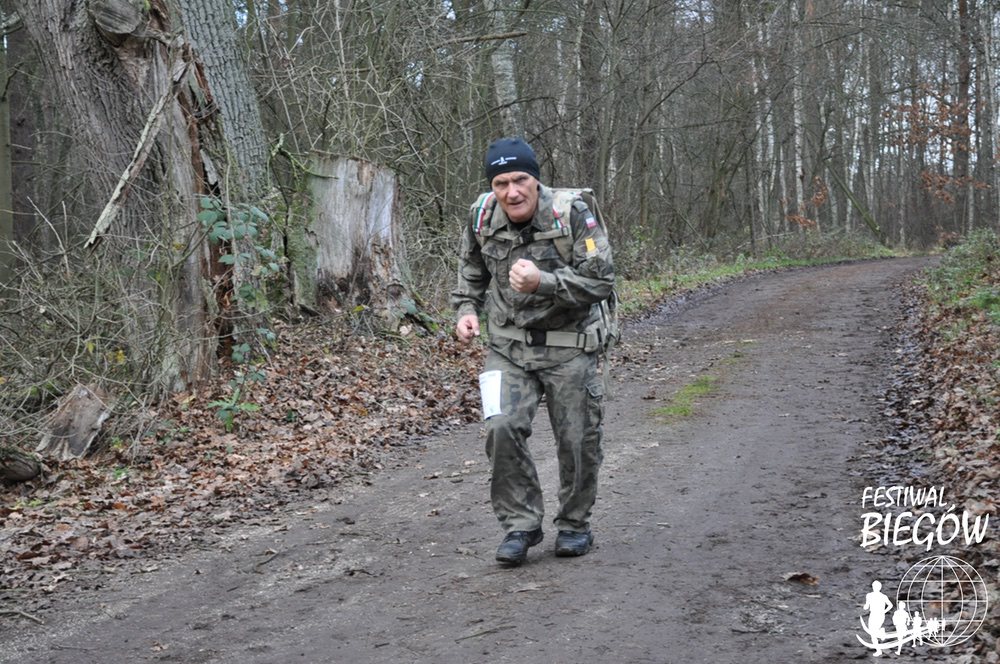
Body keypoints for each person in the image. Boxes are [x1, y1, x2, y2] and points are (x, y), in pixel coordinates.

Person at [451, 137, 615, 565]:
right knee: (500, 427)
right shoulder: (482, 215)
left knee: (577, 439)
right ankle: (520, 525)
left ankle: (575, 524)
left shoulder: (572, 213)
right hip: (508, 347)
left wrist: (544, 282)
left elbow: (601, 282)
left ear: (536, 180)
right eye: (501, 183)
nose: (512, 192)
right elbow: (471, 271)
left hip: (570, 346)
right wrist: (466, 310)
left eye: (520, 180)